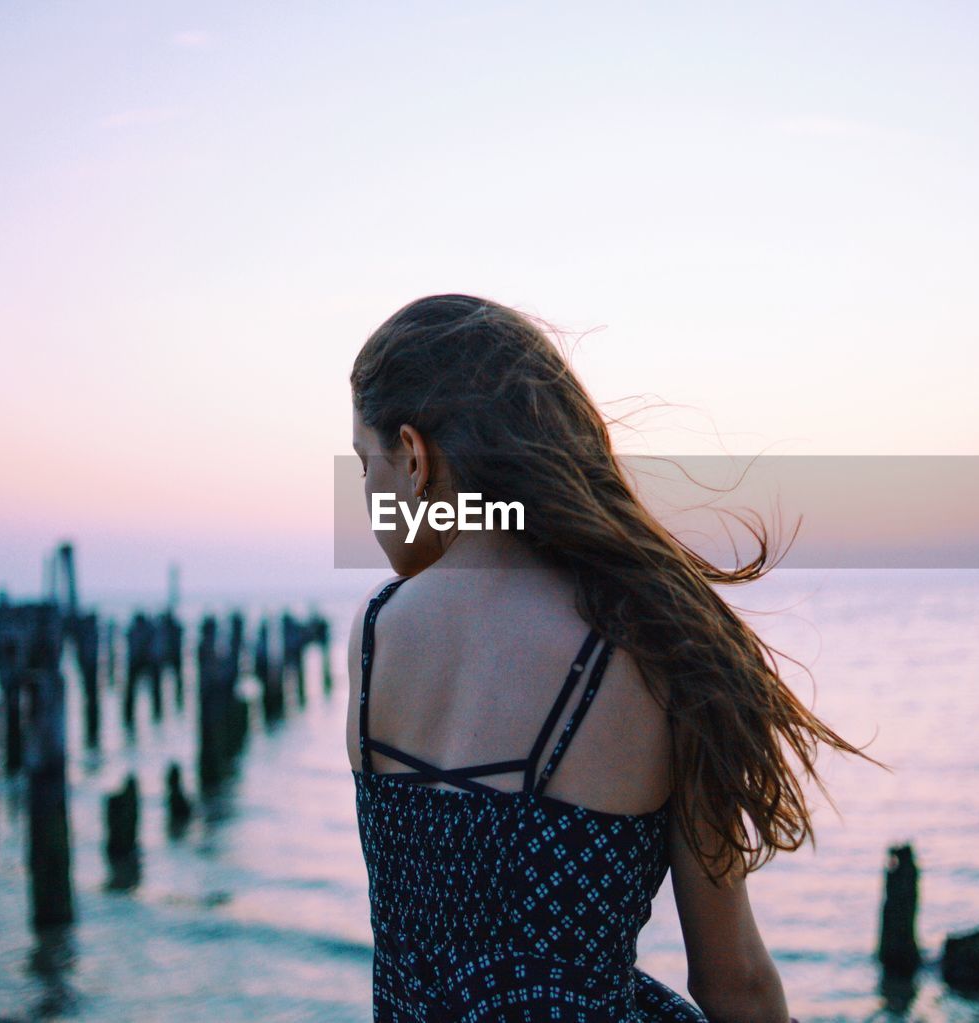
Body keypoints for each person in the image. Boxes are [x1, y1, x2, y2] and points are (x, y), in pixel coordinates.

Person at [346, 295, 879, 1021]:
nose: (365, 494)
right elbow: (734, 980)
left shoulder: (376, 637)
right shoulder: (662, 645)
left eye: (363, 464)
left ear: (413, 456)